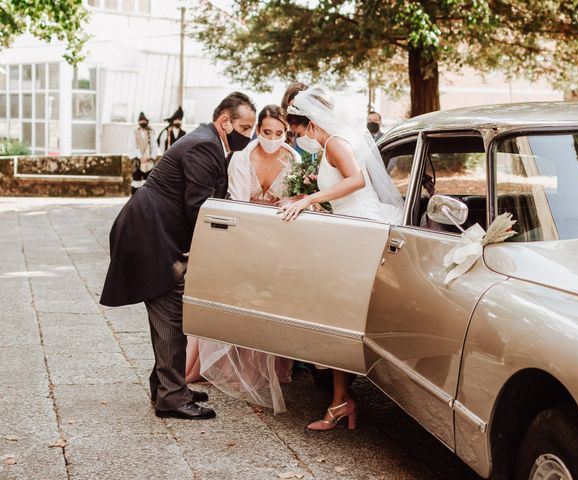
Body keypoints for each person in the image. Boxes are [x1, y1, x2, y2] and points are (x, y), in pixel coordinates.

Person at [100, 92, 256, 420]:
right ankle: (172, 395)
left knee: (172, 311)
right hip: (149, 234)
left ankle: (167, 384)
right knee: (171, 309)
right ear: (225, 122)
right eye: (245, 126)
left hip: (153, 230)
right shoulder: (204, 145)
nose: (250, 134)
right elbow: (199, 207)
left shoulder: (208, 141)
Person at [279, 86, 403, 431]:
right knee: (340, 318)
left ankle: (340, 401)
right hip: (350, 225)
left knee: (341, 318)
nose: (300, 138)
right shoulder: (340, 139)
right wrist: (314, 199)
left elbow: (356, 179)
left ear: (312, 123)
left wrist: (308, 200)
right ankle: (339, 401)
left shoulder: (334, 141)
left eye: (299, 131)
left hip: (358, 232)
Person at [192, 105, 299, 414]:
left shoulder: (293, 159)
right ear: (257, 131)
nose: (272, 139)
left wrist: (289, 203)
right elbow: (237, 200)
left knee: (269, 302)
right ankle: (229, 366)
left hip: (278, 240)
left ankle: (263, 369)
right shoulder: (241, 158)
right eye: (266, 133)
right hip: (246, 235)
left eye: (279, 134)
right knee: (241, 298)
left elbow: (296, 198)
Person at [128, 112, 157, 195]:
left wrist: (150, 157)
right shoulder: (134, 133)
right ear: (138, 122)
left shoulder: (151, 133)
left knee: (148, 184)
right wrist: (140, 156)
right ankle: (135, 204)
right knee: (136, 183)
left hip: (149, 161)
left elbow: (154, 146)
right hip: (138, 161)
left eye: (144, 120)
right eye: (141, 121)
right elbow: (131, 147)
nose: (143, 122)